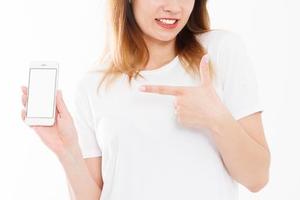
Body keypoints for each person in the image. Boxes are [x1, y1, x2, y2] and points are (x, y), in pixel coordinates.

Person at [21, 0, 270, 199]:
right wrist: (67, 151)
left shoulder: (220, 52)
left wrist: (217, 119)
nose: (174, 7)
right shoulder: (92, 85)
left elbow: (257, 177)